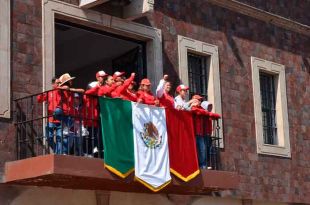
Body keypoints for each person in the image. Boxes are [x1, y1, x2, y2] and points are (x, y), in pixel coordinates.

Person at [37, 77, 62, 154]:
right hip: (51, 119)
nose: (59, 84)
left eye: (60, 83)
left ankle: (58, 154)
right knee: (49, 137)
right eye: (57, 83)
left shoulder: (62, 92)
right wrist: (41, 95)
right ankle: (56, 151)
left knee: (59, 138)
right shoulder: (50, 93)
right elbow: (39, 100)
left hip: (60, 119)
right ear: (53, 84)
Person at [190, 95, 210, 169]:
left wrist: (202, 112)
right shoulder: (192, 107)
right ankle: (193, 164)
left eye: (200, 100)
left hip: (200, 133)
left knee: (202, 149)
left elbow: (206, 113)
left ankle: (202, 165)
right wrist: (202, 112)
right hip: (193, 133)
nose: (200, 101)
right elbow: (194, 110)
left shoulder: (201, 109)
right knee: (193, 149)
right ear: (194, 100)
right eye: (198, 100)